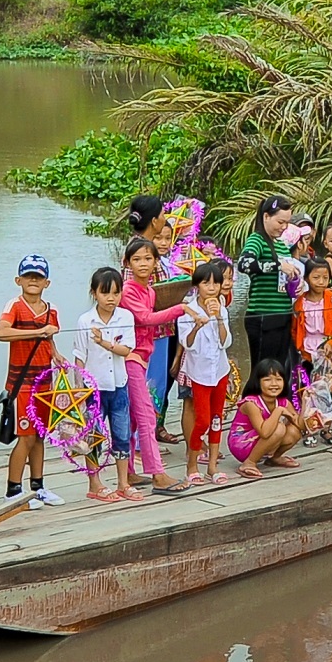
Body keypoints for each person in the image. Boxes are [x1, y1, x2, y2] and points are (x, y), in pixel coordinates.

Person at [120, 236, 192, 494]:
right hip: (128, 359)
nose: (143, 264)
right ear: (127, 262)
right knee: (147, 416)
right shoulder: (128, 289)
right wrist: (181, 308)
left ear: (156, 262)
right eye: (137, 259)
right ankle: (157, 474)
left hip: (141, 358)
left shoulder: (149, 291)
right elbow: (145, 318)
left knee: (134, 419)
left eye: (148, 259)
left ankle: (128, 471)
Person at [0, 254, 67, 507]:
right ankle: (13, 491)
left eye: (38, 277)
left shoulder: (52, 309)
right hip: (21, 382)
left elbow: (48, 338)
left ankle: (38, 486)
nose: (33, 280)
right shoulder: (14, 305)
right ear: (19, 280)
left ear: (46, 282)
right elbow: (1, 333)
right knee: (24, 436)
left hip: (44, 381)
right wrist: (37, 331)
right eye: (28, 276)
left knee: (39, 435)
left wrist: (56, 354)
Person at [72, 266, 140, 503]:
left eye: (116, 293)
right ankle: (95, 483)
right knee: (93, 436)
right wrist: (78, 391)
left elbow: (126, 349)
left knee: (121, 434)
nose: (111, 298)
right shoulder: (84, 320)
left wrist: (104, 342)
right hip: (94, 388)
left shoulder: (126, 317)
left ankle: (123, 482)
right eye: (105, 293)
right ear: (94, 293)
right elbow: (79, 357)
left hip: (119, 384)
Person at [127, 195, 183, 446]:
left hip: (160, 327)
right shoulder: (141, 250)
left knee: (155, 385)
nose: (164, 220)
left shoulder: (144, 246)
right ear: (153, 220)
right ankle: (140, 441)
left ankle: (145, 438)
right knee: (149, 385)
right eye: (161, 215)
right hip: (149, 330)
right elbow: (133, 292)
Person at [178, 260, 233, 485]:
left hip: (220, 370)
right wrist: (198, 324)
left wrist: (218, 317)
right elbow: (187, 343)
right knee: (202, 420)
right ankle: (191, 465)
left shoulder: (222, 308)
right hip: (199, 373)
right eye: (205, 283)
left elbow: (225, 342)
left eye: (215, 284)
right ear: (196, 286)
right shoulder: (187, 311)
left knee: (217, 418)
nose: (211, 288)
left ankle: (212, 467)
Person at [236, 195, 302, 369]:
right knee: (262, 370)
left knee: (278, 370)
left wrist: (295, 280)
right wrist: (278, 265)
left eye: (287, 223)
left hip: (283, 314)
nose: (284, 227)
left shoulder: (281, 245)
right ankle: (252, 397)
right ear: (266, 216)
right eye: (280, 222)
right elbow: (244, 264)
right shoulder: (256, 240)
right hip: (263, 315)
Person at [292, 259, 332, 447]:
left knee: (328, 390)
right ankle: (309, 428)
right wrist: (299, 347)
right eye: (316, 277)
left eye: (325, 277)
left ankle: (326, 428)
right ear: (307, 278)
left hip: (328, 351)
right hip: (307, 350)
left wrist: (331, 342)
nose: (321, 281)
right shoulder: (300, 302)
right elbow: (295, 327)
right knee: (308, 390)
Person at [228, 359, 304, 478]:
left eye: (278, 379)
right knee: (279, 428)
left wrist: (305, 402)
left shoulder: (283, 402)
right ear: (258, 382)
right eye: (267, 380)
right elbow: (264, 432)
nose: (274, 384)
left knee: (294, 431)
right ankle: (249, 462)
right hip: (242, 443)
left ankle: (275, 458)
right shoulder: (252, 403)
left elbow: (300, 426)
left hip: (260, 440)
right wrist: (278, 411)